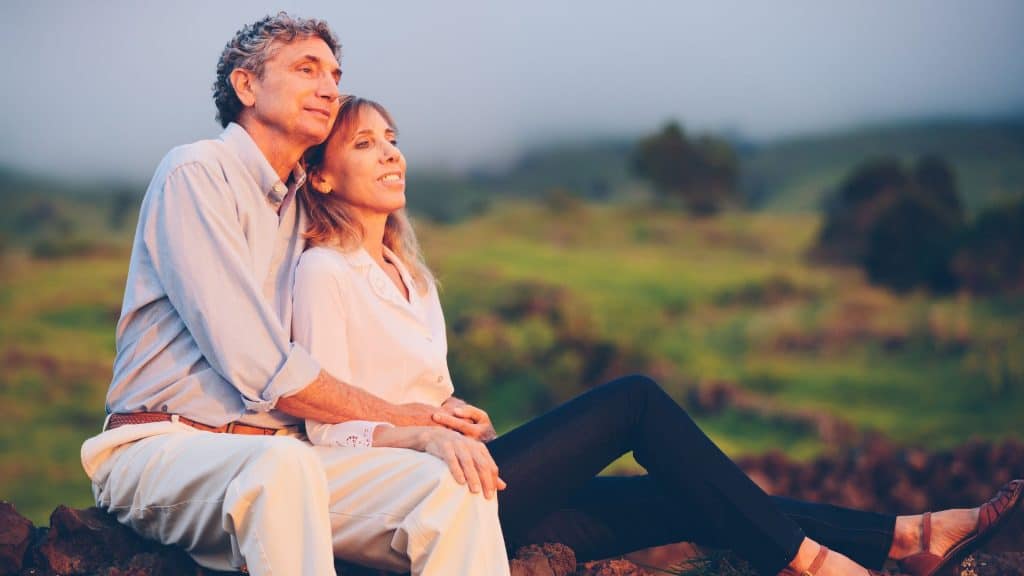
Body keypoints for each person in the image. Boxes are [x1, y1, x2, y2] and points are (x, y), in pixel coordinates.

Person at [292, 94, 1024, 576]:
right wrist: (423, 432)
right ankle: (814, 562)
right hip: (419, 498)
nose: (392, 153)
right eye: (364, 144)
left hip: (478, 486)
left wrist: (456, 416)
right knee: (634, 402)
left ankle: (908, 536)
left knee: (679, 493)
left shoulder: (411, 277)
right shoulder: (323, 273)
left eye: (393, 138)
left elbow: (429, 395)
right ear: (321, 179)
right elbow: (324, 435)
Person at [79, 14, 511, 576]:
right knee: (282, 468)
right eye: (307, 69)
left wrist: (436, 414)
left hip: (289, 460)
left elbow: (362, 307)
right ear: (247, 86)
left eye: (334, 74)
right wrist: (407, 418)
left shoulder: (306, 206)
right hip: (164, 449)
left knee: (452, 486)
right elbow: (259, 364)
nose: (329, 87)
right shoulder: (197, 174)